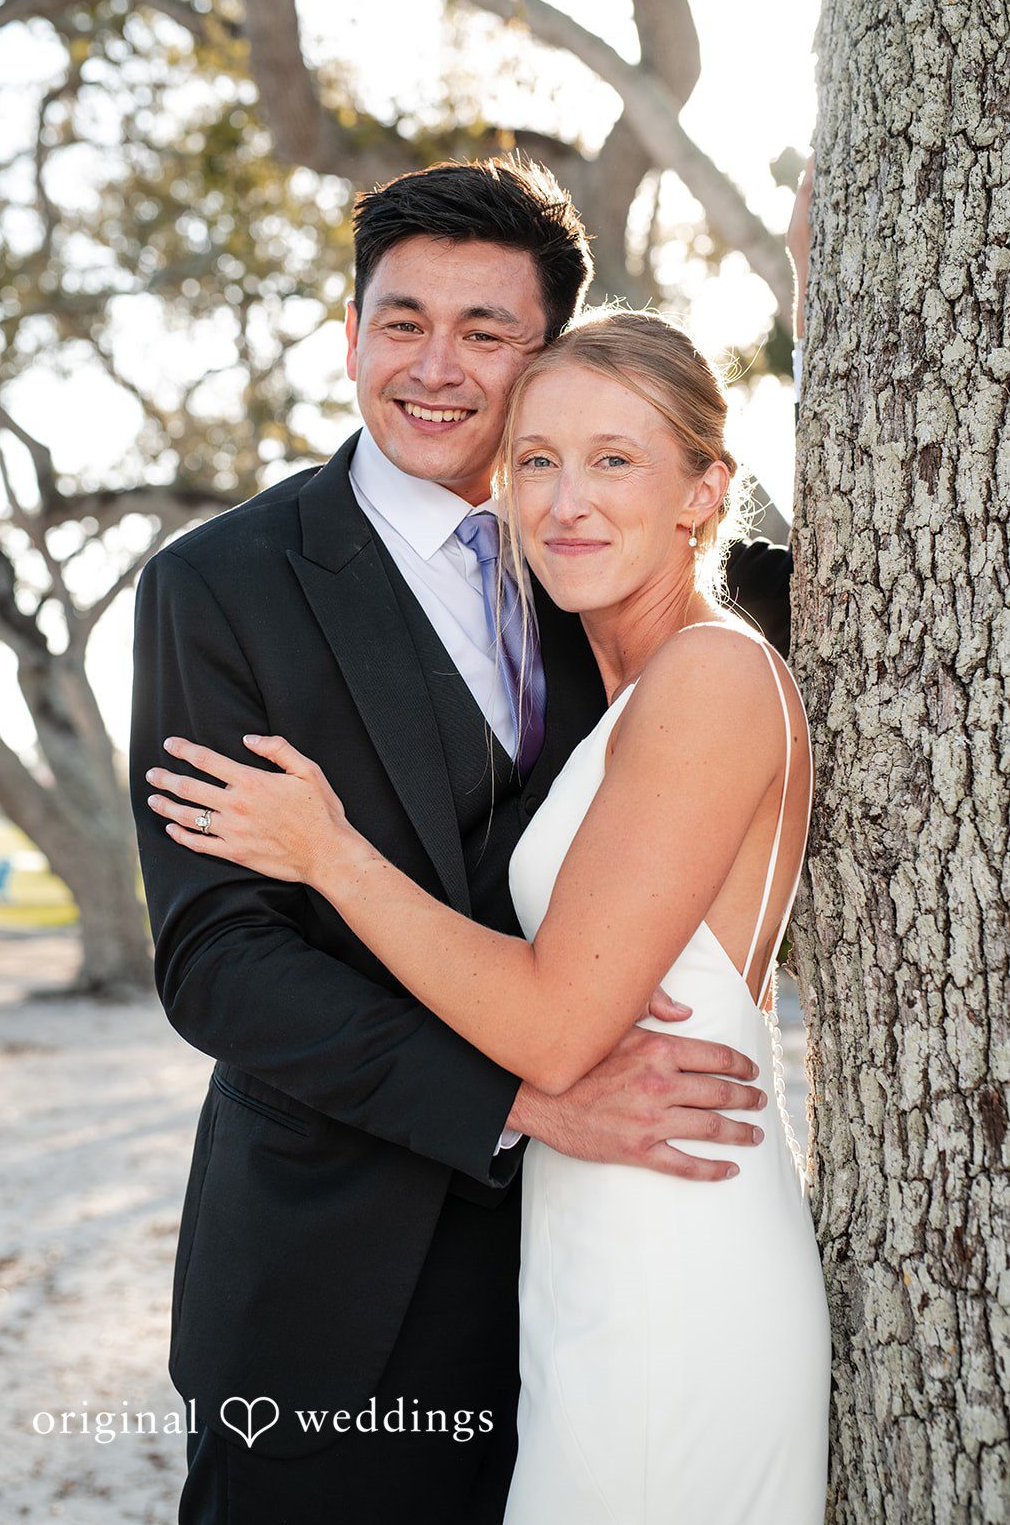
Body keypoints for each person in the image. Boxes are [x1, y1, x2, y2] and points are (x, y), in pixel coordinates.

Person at [129, 157, 794, 1525]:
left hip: (591, 1279)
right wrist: (520, 1105)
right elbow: (218, 964)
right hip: (334, 1281)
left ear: (544, 357)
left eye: (486, 333)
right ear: (352, 335)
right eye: (402, 322)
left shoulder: (601, 561)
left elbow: (796, 567)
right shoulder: (219, 585)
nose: (434, 369)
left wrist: (810, 286)